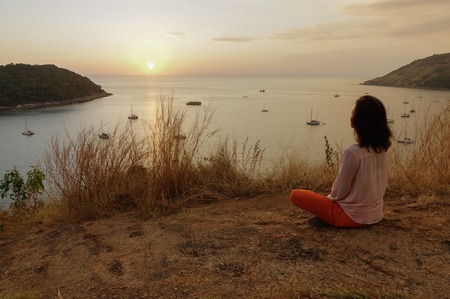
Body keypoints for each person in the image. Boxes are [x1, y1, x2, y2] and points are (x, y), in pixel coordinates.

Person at [290, 95, 393, 228]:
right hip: (375, 215)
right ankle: (327, 217)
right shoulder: (381, 149)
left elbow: (339, 192)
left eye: (353, 112)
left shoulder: (353, 152)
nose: (351, 115)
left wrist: (327, 203)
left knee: (296, 195)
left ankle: (330, 218)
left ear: (359, 120)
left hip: (352, 217)